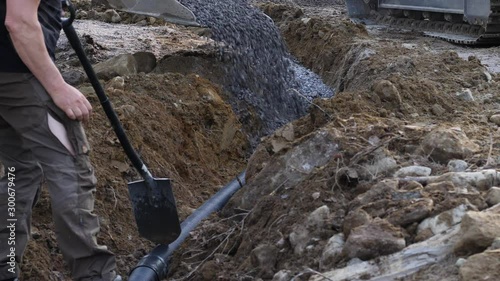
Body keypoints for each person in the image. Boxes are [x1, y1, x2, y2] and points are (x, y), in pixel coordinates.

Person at [0, 0, 120, 280]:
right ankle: (94, 273)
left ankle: (4, 269)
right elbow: (18, 22)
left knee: (20, 171)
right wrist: (58, 88)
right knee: (70, 168)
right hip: (18, 76)